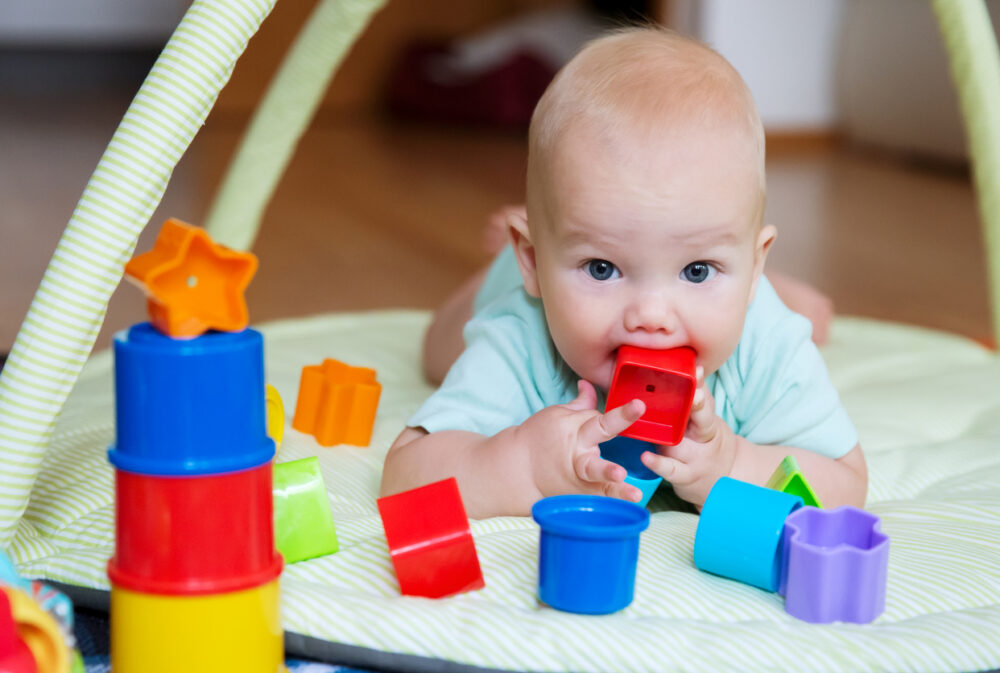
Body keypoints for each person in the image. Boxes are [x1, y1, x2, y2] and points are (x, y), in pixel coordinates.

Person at [381, 27, 867, 519]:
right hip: (514, 285)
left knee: (800, 317)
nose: (652, 316)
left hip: (725, 283)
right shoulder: (521, 339)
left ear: (755, 264)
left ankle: (730, 276)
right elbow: (405, 474)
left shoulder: (765, 344)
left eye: (698, 270)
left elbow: (844, 481)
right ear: (534, 260)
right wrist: (524, 464)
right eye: (602, 267)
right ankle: (503, 266)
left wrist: (734, 465)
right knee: (438, 350)